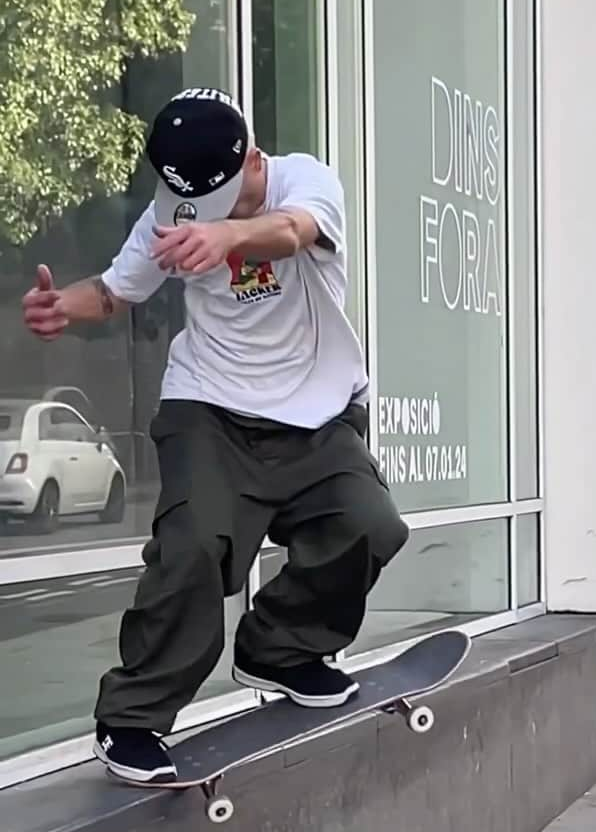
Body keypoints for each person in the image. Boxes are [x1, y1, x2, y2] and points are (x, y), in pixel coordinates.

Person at [22, 87, 408, 784]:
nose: (206, 219)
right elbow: (116, 290)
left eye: (223, 202)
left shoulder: (305, 180)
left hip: (318, 416)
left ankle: (282, 650)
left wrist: (228, 237)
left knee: (369, 524)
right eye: (197, 210)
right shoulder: (168, 216)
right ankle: (132, 719)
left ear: (254, 160)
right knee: (192, 546)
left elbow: (293, 232)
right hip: (210, 409)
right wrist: (63, 309)